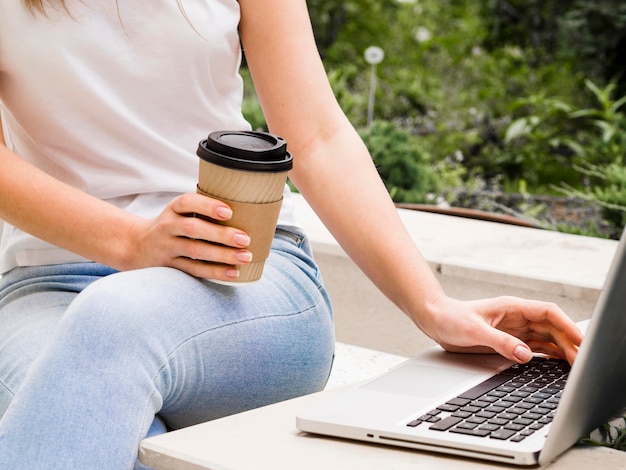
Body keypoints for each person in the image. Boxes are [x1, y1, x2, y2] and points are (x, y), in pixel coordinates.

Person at [0, 1, 582, 468]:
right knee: (94, 417)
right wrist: (129, 241)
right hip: (54, 283)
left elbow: (317, 136)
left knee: (109, 326)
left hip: (244, 279)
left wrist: (430, 305)